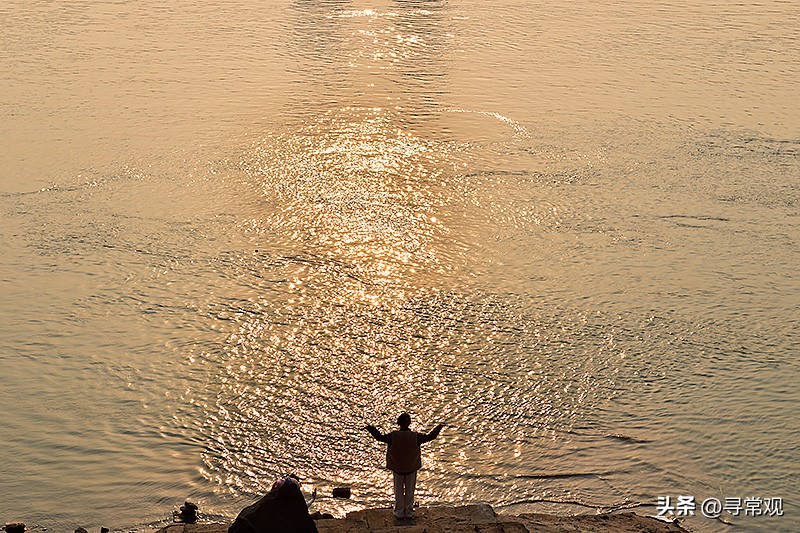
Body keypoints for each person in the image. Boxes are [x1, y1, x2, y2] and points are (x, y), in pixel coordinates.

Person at [365, 413, 445, 519]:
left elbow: (379, 437)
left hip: (397, 468)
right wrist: (439, 427)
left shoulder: (393, 436)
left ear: (398, 423)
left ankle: (399, 512)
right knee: (409, 492)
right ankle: (409, 512)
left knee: (398, 492)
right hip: (411, 468)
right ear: (409, 423)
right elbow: (431, 436)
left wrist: (370, 428)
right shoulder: (416, 437)